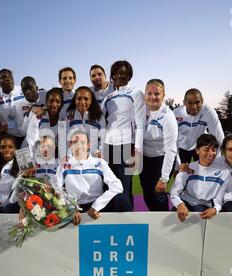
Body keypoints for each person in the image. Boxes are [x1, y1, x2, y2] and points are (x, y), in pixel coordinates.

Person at [54, 131, 130, 225]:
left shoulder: (99, 162)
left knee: (123, 200)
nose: (78, 146)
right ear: (70, 145)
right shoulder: (64, 165)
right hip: (75, 207)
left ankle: (122, 229)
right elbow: (56, 189)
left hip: (98, 205)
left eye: (82, 142)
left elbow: (117, 186)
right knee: (51, 203)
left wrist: (97, 206)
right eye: (75, 142)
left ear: (88, 145)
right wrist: (70, 209)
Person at [101, 60, 145, 210]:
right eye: (117, 72)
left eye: (124, 73)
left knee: (123, 189)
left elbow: (140, 123)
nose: (120, 75)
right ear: (112, 75)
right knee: (108, 186)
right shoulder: (108, 96)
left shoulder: (136, 93)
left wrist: (137, 150)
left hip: (127, 146)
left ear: (129, 75)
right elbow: (102, 123)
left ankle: (127, 221)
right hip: (108, 146)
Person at [170, 134, 230, 222]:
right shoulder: (187, 168)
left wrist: (215, 209)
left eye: (214, 150)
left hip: (205, 207)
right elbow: (174, 192)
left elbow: (221, 196)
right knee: (173, 218)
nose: (211, 153)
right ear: (197, 150)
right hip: (185, 203)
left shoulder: (224, 172)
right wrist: (180, 204)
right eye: (206, 150)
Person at [139, 79, 178, 211]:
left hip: (161, 158)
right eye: (149, 93)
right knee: (147, 193)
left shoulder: (168, 116)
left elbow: (171, 149)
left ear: (163, 95)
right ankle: (155, 221)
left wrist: (164, 178)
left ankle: (162, 224)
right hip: (144, 158)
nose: (153, 97)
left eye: (157, 94)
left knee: (158, 193)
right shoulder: (140, 110)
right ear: (144, 95)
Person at [173, 88, 224, 164]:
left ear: (202, 101)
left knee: (203, 170)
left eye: (197, 102)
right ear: (184, 103)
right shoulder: (176, 113)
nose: (194, 107)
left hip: (200, 145)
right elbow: (171, 139)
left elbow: (218, 136)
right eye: (190, 103)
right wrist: (177, 164)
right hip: (181, 147)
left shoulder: (208, 111)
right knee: (181, 173)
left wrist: (217, 162)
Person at [65, 86, 106, 157]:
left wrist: (100, 153)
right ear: (75, 100)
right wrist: (68, 155)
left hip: (93, 158)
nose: (82, 102)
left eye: (86, 99)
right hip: (74, 157)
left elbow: (103, 138)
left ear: (91, 101)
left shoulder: (99, 116)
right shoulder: (69, 114)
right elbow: (66, 137)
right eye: (79, 98)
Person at [7, 76, 47, 148]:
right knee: (22, 157)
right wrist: (30, 113)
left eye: (31, 88)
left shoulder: (46, 95)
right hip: (30, 141)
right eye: (25, 89)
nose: (28, 92)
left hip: (48, 138)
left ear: (37, 88)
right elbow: (22, 132)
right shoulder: (19, 106)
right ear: (22, 91)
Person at [26, 87, 65, 157]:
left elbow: (61, 145)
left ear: (61, 104)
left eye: (58, 101)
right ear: (46, 103)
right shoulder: (38, 116)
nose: (54, 105)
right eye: (51, 101)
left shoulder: (62, 120)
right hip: (30, 155)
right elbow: (31, 141)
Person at [0, 68, 23, 135]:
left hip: (27, 135)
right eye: (3, 77)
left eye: (10, 77)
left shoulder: (23, 90)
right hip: (8, 136)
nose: (8, 79)